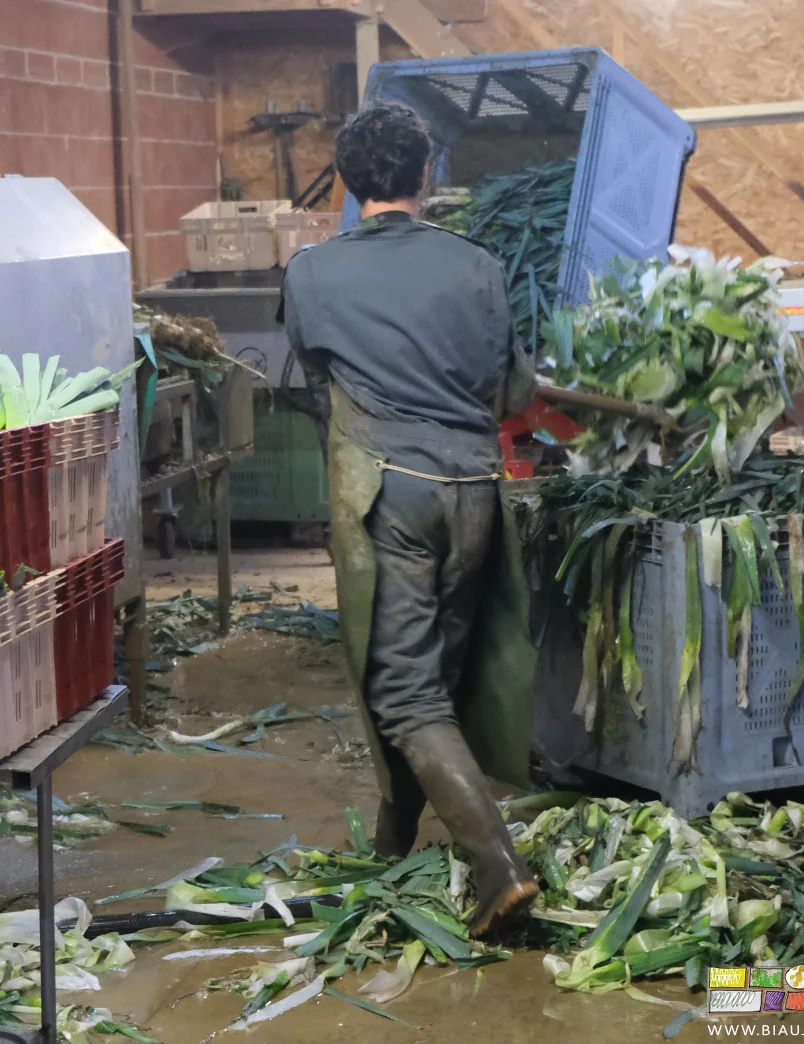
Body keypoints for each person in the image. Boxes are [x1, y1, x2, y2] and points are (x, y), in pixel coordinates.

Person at [279, 101, 540, 937]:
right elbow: (516, 396)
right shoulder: (480, 267)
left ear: (351, 185)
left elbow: (314, 364)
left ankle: (497, 868)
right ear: (427, 176)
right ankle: (397, 837)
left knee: (404, 691)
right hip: (475, 493)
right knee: (436, 679)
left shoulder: (314, 272)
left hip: (389, 492)